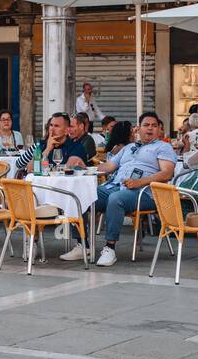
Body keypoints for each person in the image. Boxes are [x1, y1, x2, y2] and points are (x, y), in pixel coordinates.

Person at [61, 112, 176, 266]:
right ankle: (82, 245)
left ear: (159, 129)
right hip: (114, 187)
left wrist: (140, 182)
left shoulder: (163, 147)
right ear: (138, 129)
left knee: (116, 199)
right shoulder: (128, 148)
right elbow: (108, 166)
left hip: (144, 193)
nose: (150, 129)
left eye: (154, 126)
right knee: (79, 195)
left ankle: (110, 248)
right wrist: (86, 167)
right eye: (146, 125)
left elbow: (167, 173)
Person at [14, 112, 87, 175]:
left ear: (66, 130)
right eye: (51, 125)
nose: (52, 129)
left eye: (56, 126)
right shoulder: (41, 145)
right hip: (40, 187)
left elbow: (68, 170)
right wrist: (47, 149)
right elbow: (30, 169)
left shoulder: (76, 147)